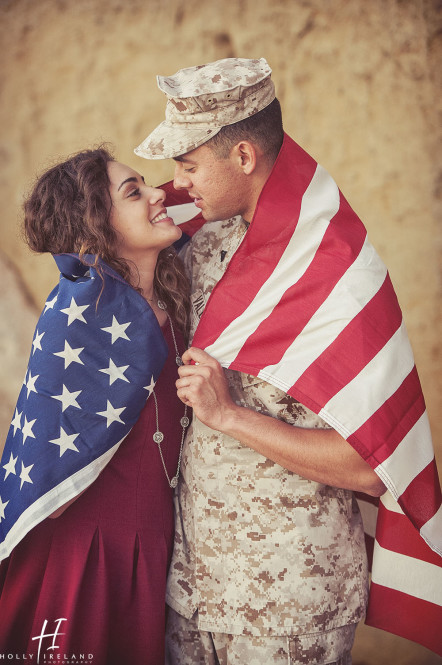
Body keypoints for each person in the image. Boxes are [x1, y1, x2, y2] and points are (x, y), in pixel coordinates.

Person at [134, 57, 442, 663]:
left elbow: (374, 468)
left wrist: (232, 416)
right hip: (195, 589)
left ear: (243, 157)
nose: (179, 183)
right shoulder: (209, 243)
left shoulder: (338, 278)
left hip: (288, 602)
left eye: (190, 164)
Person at [0, 147, 190, 664]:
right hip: (88, 556)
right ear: (92, 234)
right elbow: (46, 461)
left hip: (157, 549)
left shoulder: (176, 305)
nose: (159, 194)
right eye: (134, 192)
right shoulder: (76, 317)